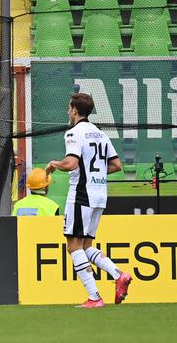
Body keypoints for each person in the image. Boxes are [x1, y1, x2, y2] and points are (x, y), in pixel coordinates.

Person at [45, 93, 132, 308]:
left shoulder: (74, 133)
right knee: (85, 245)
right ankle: (118, 274)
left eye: (69, 108)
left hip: (81, 195)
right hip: (99, 194)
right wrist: (96, 174)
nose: (68, 112)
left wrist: (53, 164)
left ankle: (95, 297)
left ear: (75, 110)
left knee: (73, 247)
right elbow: (117, 165)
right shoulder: (100, 134)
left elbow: (72, 163)